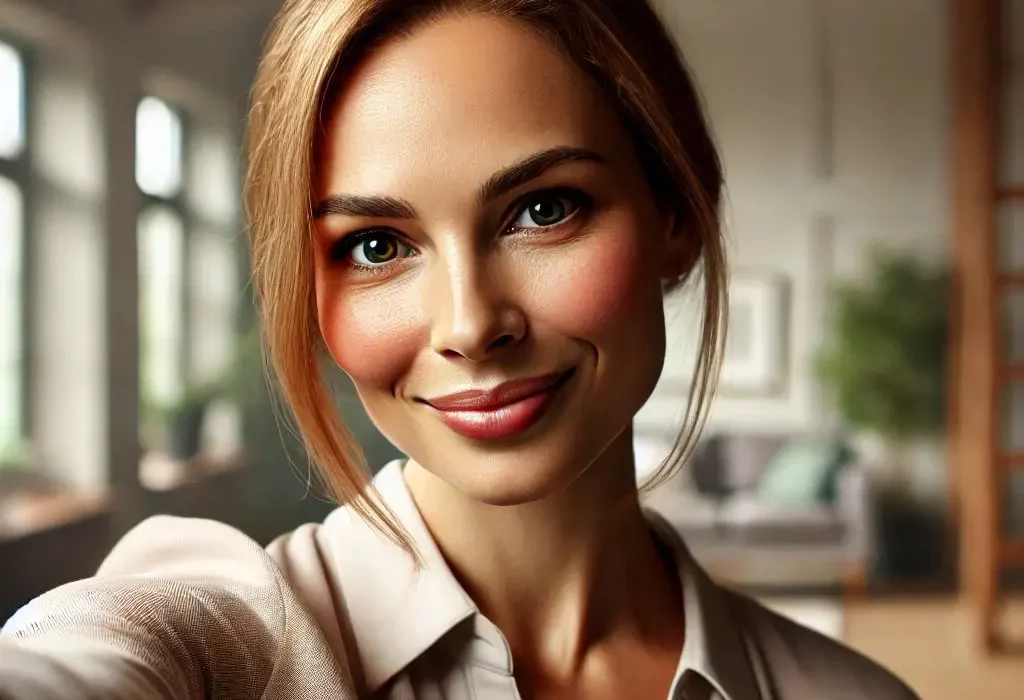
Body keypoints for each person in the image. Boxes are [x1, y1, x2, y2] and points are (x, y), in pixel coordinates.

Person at [0, 1, 920, 698]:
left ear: (676, 212)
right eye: (376, 245)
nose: (470, 324)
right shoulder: (230, 641)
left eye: (543, 209)